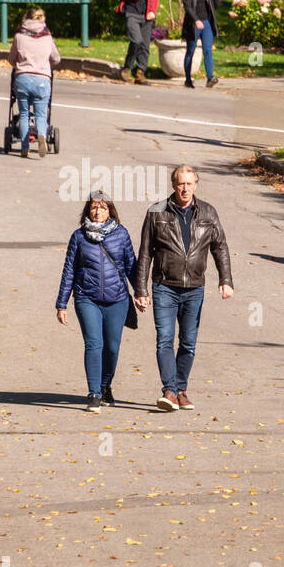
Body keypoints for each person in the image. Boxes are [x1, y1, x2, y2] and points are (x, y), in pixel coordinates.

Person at [132, 165, 234, 412]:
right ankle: (169, 390)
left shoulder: (208, 212)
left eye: (189, 183)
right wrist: (141, 290)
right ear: (173, 185)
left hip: (194, 288)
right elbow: (145, 253)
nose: (185, 188)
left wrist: (226, 280)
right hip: (164, 286)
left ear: (196, 185)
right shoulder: (156, 211)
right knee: (164, 339)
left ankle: (180, 390)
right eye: (180, 184)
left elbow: (219, 247)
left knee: (188, 342)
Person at [56, 191, 137, 412]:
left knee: (112, 347)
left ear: (110, 211)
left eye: (102, 207)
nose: (97, 211)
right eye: (93, 207)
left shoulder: (121, 234)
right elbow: (69, 272)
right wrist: (62, 303)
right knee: (94, 343)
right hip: (86, 298)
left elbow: (131, 266)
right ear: (87, 211)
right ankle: (93, 393)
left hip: (117, 299)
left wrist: (141, 292)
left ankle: (105, 385)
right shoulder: (79, 236)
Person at [8, 7, 61, 158]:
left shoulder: (19, 35)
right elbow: (56, 59)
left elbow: (12, 59)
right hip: (42, 80)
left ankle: (25, 147)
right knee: (41, 115)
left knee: (24, 114)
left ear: (27, 18)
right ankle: (42, 136)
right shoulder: (47, 36)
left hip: (23, 79)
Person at [117, 0, 159, 85]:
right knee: (136, 40)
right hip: (132, 13)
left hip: (147, 15)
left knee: (145, 45)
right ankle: (127, 67)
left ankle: (140, 73)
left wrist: (153, 10)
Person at [181, 0, 220, 89]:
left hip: (206, 23)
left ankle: (210, 77)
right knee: (190, 51)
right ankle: (188, 80)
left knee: (208, 50)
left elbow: (217, 5)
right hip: (193, 23)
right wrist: (196, 20)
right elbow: (187, 6)